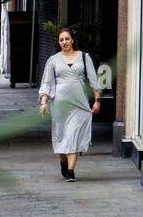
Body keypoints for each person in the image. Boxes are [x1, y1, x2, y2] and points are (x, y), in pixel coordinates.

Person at [38, 27, 101, 180]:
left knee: (73, 135)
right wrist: (44, 102)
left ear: (72, 40)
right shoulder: (53, 60)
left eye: (67, 39)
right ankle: (63, 161)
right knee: (61, 136)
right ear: (58, 42)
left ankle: (71, 171)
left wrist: (97, 101)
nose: (64, 42)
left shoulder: (84, 57)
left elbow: (94, 81)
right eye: (61, 40)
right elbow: (47, 83)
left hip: (79, 104)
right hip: (60, 105)